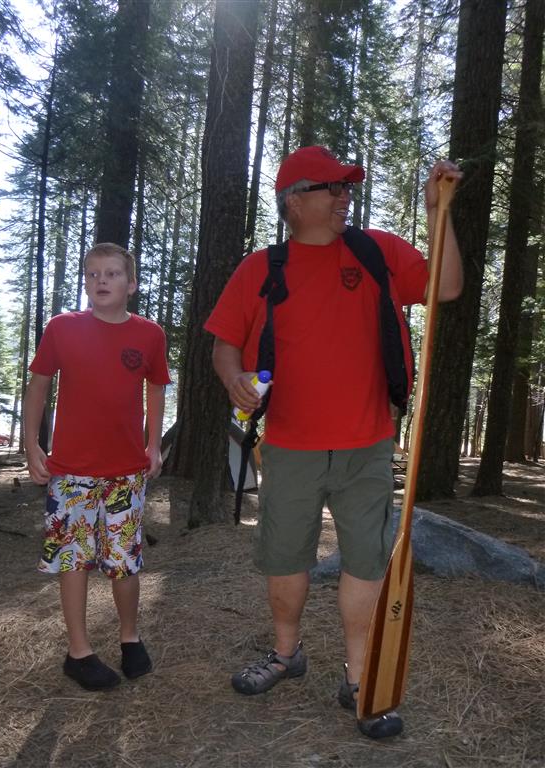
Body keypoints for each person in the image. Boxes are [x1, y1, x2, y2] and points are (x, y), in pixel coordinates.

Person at [204, 146, 463, 738]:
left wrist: (437, 214)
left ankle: (359, 676)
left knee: (366, 561)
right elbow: (224, 343)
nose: (345, 197)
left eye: (348, 188)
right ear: (295, 201)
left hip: (367, 444)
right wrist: (233, 378)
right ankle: (286, 653)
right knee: (285, 557)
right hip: (289, 445)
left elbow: (445, 287)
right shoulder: (261, 268)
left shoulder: (377, 253)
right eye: (333, 188)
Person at [24, 242, 171, 692]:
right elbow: (39, 386)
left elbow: (156, 388)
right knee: (74, 558)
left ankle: (130, 637)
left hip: (126, 470)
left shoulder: (149, 334)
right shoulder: (62, 328)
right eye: (92, 274)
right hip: (71, 470)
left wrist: (153, 445)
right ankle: (79, 651)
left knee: (124, 559)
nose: (100, 281)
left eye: (111, 273)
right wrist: (31, 445)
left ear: (131, 284)